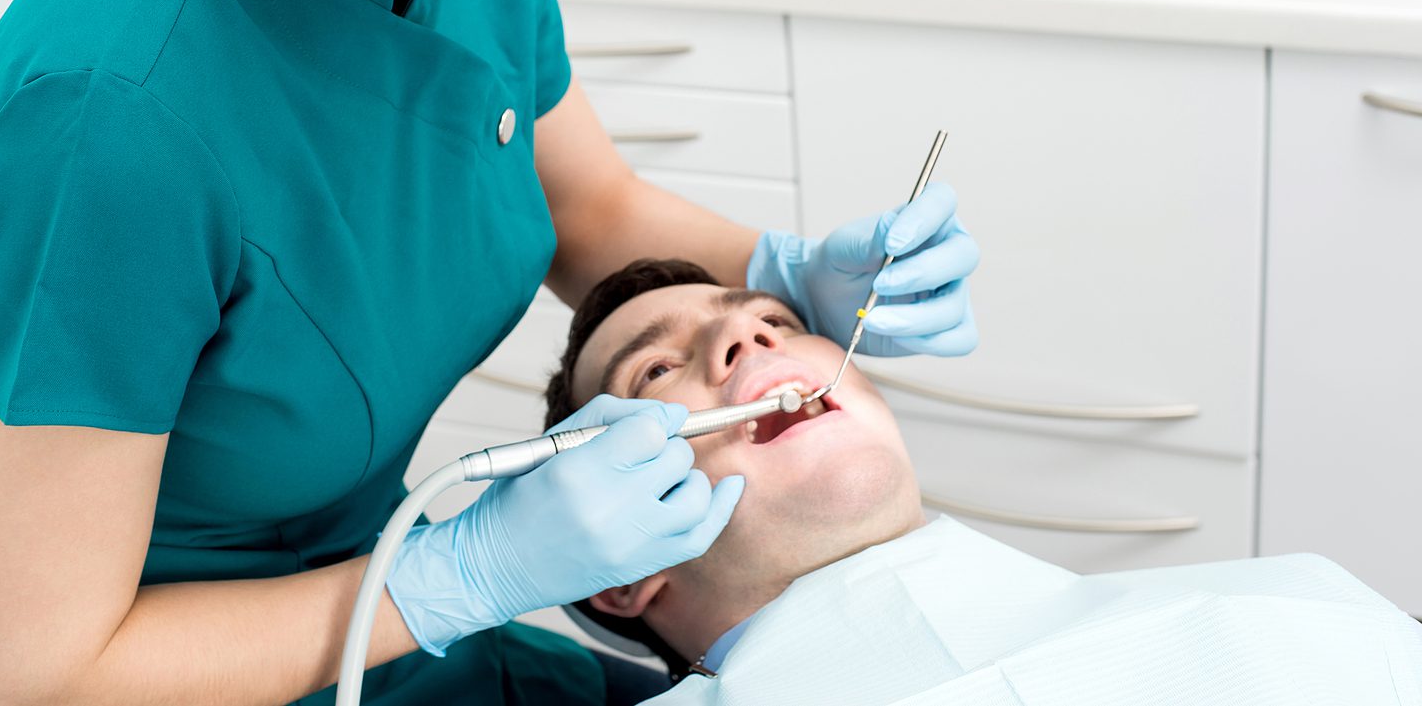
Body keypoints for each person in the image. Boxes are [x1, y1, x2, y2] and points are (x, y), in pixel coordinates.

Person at [0, 0, 982, 705]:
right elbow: (44, 676)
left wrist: (777, 271)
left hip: (386, 637)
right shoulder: (109, 123)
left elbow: (581, 202)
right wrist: (456, 576)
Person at [543, 260, 1422, 704]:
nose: (748, 339)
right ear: (620, 570)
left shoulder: (1310, 611)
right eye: (656, 370)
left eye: (775, 317)